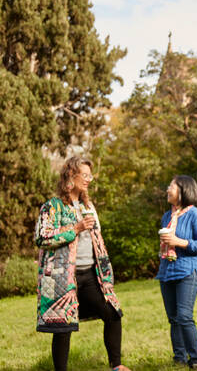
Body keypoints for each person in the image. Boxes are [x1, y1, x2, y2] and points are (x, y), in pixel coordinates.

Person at [34, 156, 130, 371]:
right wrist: (75, 229)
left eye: (90, 175)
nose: (88, 180)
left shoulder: (89, 206)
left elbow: (97, 239)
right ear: (70, 175)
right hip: (63, 278)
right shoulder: (53, 207)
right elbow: (42, 238)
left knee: (113, 314)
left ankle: (117, 365)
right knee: (63, 328)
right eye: (84, 175)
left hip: (91, 275)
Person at [156, 175, 197, 369]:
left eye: (171, 186)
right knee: (173, 318)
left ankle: (195, 360)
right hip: (167, 271)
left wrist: (178, 242)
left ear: (183, 190)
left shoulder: (196, 215)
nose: (167, 190)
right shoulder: (167, 215)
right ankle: (179, 358)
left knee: (184, 316)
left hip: (189, 270)